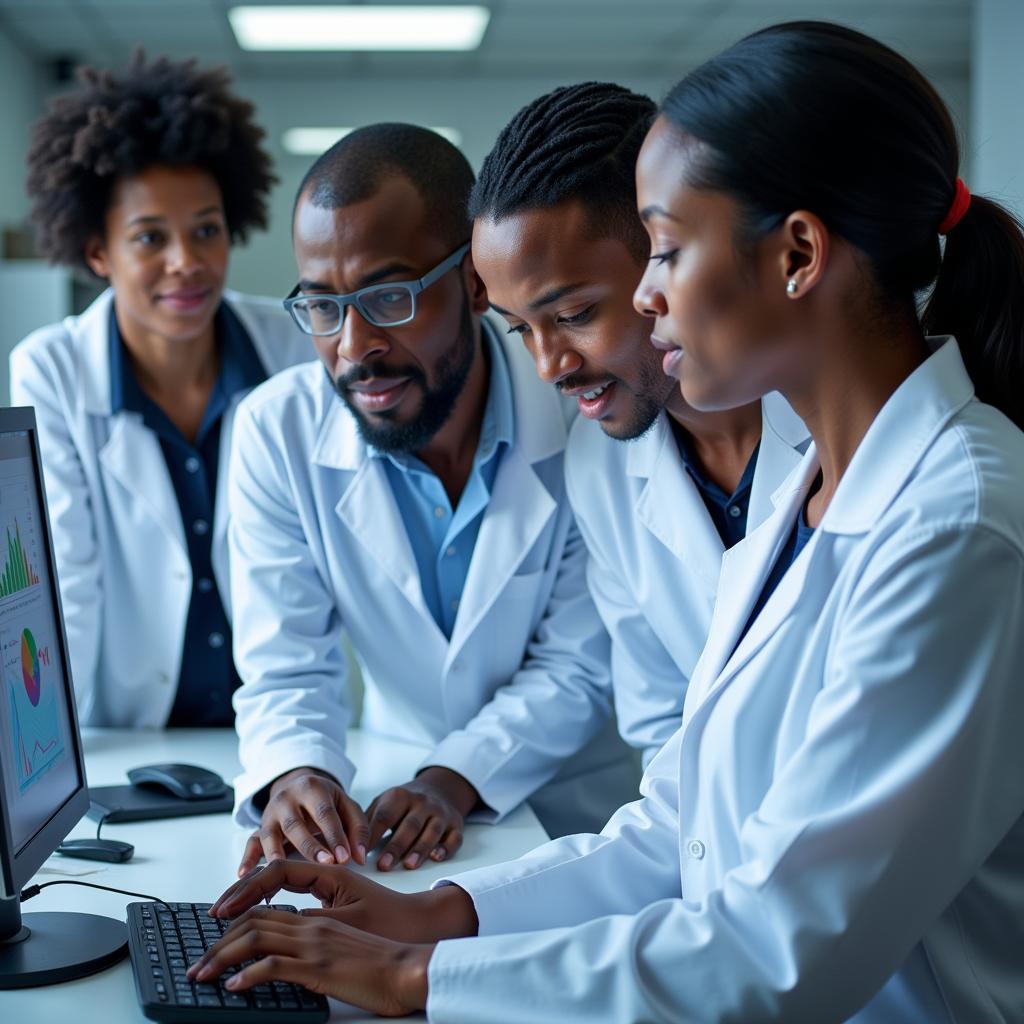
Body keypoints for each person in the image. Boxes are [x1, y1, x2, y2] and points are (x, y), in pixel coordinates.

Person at [191, 22, 1024, 1022]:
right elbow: (688, 820)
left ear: (798, 252)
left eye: (665, 249)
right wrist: (433, 919)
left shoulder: (952, 527)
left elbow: (783, 946)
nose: (646, 295)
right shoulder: (812, 494)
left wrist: (416, 979)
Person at [227, 123, 638, 876]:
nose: (354, 346)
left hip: (582, 809)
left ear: (474, 282)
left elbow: (579, 664)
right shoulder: (275, 430)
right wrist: (296, 772)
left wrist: (455, 780)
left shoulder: (580, 403)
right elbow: (286, 661)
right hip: (397, 805)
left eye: (389, 297)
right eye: (323, 307)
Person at [469, 81, 807, 765]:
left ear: (666, 257)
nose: (549, 367)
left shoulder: (835, 421)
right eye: (521, 330)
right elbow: (664, 733)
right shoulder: (600, 464)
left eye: (573, 315)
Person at [10, 53, 307, 728]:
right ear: (97, 254)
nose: (188, 262)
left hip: (276, 724)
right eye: (150, 238)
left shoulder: (290, 348)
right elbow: (65, 578)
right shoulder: (53, 370)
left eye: (206, 228)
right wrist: (54, 760)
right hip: (126, 728)